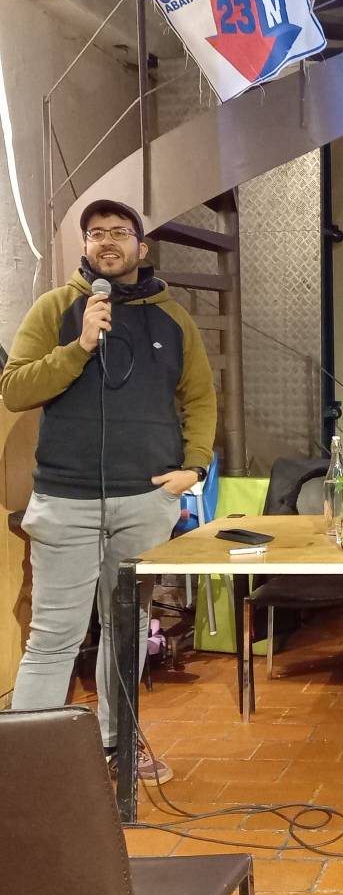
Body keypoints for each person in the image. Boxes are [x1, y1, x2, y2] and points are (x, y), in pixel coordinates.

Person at [0, 199, 216, 784]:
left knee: (126, 630)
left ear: (141, 248)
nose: (108, 241)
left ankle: (118, 743)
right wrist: (79, 347)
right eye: (96, 233)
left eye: (120, 232)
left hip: (144, 501)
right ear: (85, 247)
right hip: (64, 502)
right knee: (53, 637)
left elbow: (199, 398)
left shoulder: (173, 318)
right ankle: (31, 768)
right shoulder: (57, 308)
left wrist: (194, 468)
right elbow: (16, 389)